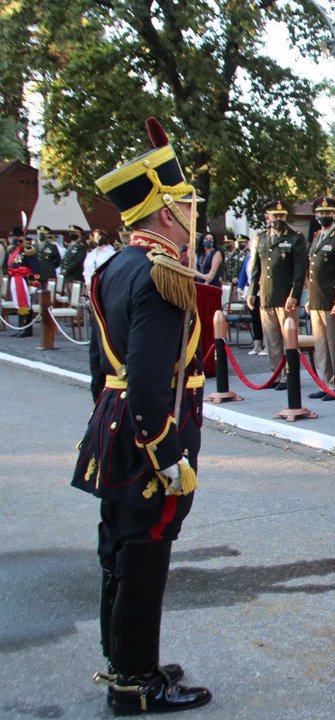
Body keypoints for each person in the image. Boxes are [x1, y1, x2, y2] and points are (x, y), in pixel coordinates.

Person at [72, 117, 211, 713]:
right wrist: (167, 452)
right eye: (186, 206)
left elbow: (102, 367)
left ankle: (123, 659)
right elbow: (152, 381)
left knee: (118, 546)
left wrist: (114, 427)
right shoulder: (161, 275)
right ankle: (135, 682)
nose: (192, 215)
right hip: (147, 432)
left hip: (114, 424)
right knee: (146, 553)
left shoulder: (112, 267)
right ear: (166, 212)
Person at [247, 201, 308, 379]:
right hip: (267, 294)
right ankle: (277, 373)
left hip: (286, 296)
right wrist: (252, 292)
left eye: (282, 216)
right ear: (268, 217)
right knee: (271, 339)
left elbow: (300, 270)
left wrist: (295, 295)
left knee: (288, 338)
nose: (279, 219)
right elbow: (256, 268)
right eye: (275, 216)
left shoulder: (295, 237)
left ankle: (290, 374)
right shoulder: (261, 237)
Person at [306, 197, 335, 401]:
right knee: (321, 345)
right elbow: (312, 271)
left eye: (328, 212)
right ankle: (325, 382)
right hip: (317, 299)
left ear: (334, 214)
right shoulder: (317, 236)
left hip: (332, 301)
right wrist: (309, 298)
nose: (324, 216)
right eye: (320, 213)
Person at [6, 233, 40, 337]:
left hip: (25, 279)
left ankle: (27, 329)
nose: (14, 239)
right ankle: (21, 327)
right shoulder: (16, 251)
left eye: (16, 237)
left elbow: (36, 268)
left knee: (25, 303)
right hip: (16, 278)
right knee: (18, 303)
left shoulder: (28, 249)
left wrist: (34, 284)